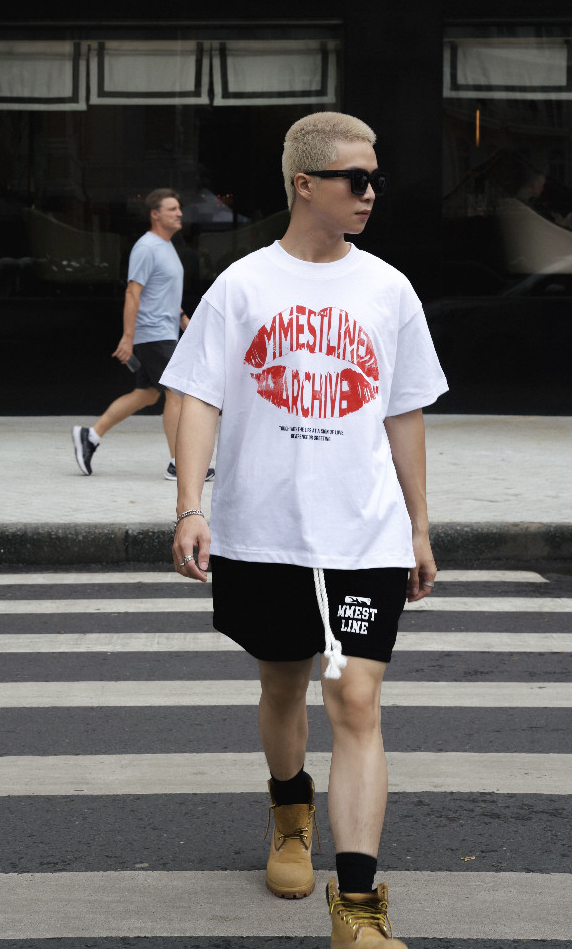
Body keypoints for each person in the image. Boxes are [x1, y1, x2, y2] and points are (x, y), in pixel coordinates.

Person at [161, 112, 448, 947]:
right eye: (356, 179)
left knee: (355, 698)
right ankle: (291, 811)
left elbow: (404, 414)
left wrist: (420, 527)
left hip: (364, 535)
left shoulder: (389, 290)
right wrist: (190, 506)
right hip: (264, 532)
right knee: (283, 686)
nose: (371, 193)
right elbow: (197, 399)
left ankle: (357, 912)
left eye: (376, 179)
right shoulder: (244, 285)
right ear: (305, 184)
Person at [71, 188, 214, 481]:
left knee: (147, 395)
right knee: (177, 393)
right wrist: (127, 337)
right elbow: (132, 293)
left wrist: (184, 321)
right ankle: (179, 464)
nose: (179, 213)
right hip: (153, 334)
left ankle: (90, 436)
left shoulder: (167, 246)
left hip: (164, 331)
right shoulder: (146, 247)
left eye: (179, 208)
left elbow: (162, 294)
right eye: (172, 209)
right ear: (155, 214)